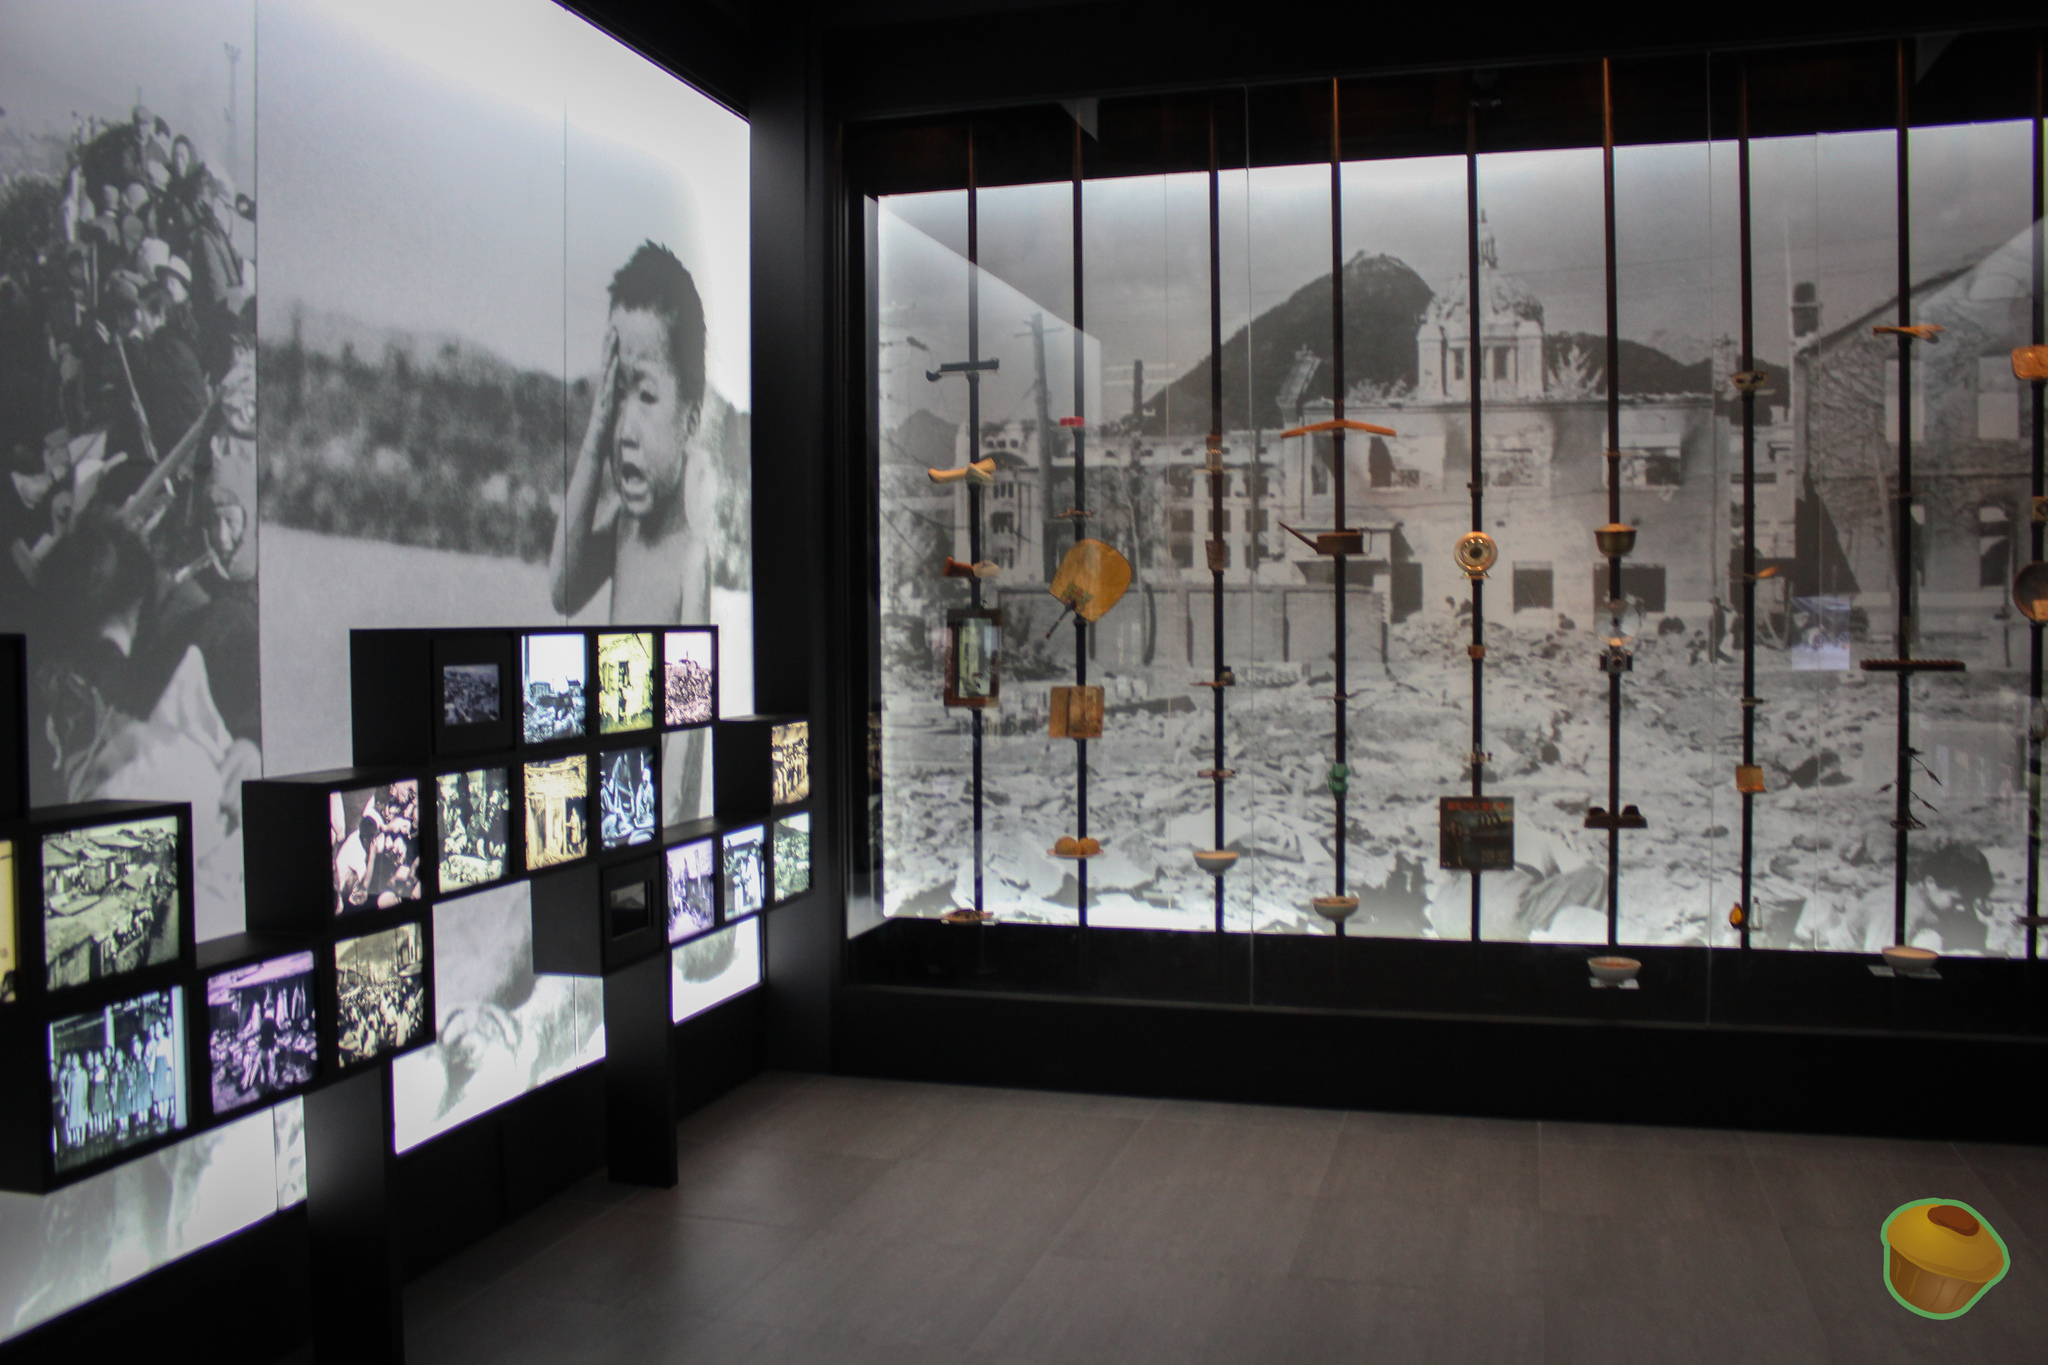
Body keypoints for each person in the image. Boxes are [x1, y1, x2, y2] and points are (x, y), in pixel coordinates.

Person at [551, 241, 714, 626]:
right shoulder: (621, 529)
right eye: (617, 394)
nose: (624, 430)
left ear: (691, 420)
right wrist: (594, 440)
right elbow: (562, 593)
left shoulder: (690, 561)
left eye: (646, 395)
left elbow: (693, 669)